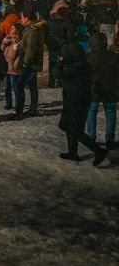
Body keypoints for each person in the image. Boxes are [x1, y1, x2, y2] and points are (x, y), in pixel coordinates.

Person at [57, 33, 108, 165]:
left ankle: (98, 151)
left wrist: (60, 63)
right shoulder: (83, 64)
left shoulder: (75, 68)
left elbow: (58, 74)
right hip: (78, 100)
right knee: (70, 127)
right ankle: (72, 153)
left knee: (75, 130)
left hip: (75, 102)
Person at [86, 32, 117, 147]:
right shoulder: (114, 56)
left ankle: (91, 136)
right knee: (110, 112)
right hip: (110, 90)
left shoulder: (88, 57)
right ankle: (110, 139)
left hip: (94, 89)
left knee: (91, 111)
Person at [15, 11, 46, 118]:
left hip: (29, 64)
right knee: (32, 86)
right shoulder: (31, 29)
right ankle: (32, 109)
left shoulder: (32, 30)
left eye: (22, 18)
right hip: (32, 63)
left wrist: (25, 63)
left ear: (27, 18)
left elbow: (31, 49)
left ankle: (19, 112)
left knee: (19, 86)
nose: (21, 20)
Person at [1, 26, 21, 111]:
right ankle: (8, 103)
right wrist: (4, 42)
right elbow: (1, 50)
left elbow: (18, 54)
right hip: (6, 66)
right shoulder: (7, 39)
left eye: (13, 28)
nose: (12, 29)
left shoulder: (18, 40)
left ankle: (18, 103)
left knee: (15, 86)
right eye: (11, 28)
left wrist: (16, 65)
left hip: (12, 67)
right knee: (6, 87)